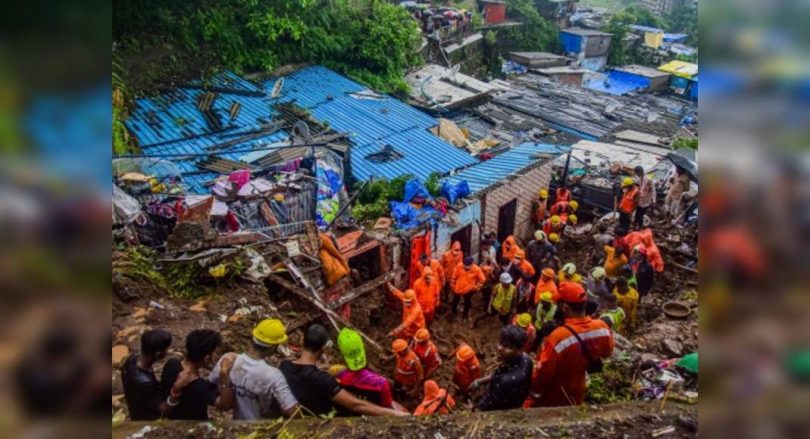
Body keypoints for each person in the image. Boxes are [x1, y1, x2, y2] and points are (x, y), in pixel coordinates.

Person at [281, 324, 405, 417]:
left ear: (303, 340)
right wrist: (395, 414)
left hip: (301, 414)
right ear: (323, 347)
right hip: (325, 418)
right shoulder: (323, 379)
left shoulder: (284, 366)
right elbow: (356, 405)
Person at [524, 282, 614, 408]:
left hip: (554, 393)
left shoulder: (558, 337)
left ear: (565, 307)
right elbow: (607, 352)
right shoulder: (602, 328)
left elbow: (543, 373)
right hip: (578, 390)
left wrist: (532, 390)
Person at [208, 320, 297, 420]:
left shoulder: (228, 360)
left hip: (237, 425)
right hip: (262, 429)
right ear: (273, 347)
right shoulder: (274, 375)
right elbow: (291, 410)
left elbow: (209, 385)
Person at [162, 329, 236, 420]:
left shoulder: (171, 364)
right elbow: (224, 404)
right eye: (215, 353)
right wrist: (224, 374)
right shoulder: (199, 386)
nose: (216, 356)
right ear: (206, 358)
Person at [334, 329, 400, 412]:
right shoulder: (381, 383)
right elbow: (387, 408)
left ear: (342, 354)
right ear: (363, 348)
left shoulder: (337, 376)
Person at [121, 329, 180, 420]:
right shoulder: (144, 382)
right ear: (158, 354)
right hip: (147, 419)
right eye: (166, 349)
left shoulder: (132, 359)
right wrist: (176, 391)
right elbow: (163, 409)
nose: (168, 351)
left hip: (137, 407)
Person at [471, 326, 533, 411]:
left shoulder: (504, 382)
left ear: (519, 350)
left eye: (508, 347)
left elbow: (487, 405)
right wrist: (479, 382)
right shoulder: (526, 358)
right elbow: (498, 375)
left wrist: (473, 409)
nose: (500, 348)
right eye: (500, 343)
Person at [450, 256, 485, 321]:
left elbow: (482, 279)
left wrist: (476, 287)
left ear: (472, 264)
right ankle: (453, 312)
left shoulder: (477, 270)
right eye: (465, 267)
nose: (466, 268)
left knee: (467, 302)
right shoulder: (459, 266)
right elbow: (454, 276)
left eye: (468, 268)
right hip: (458, 287)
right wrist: (452, 284)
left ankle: (465, 314)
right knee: (455, 301)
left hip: (468, 290)